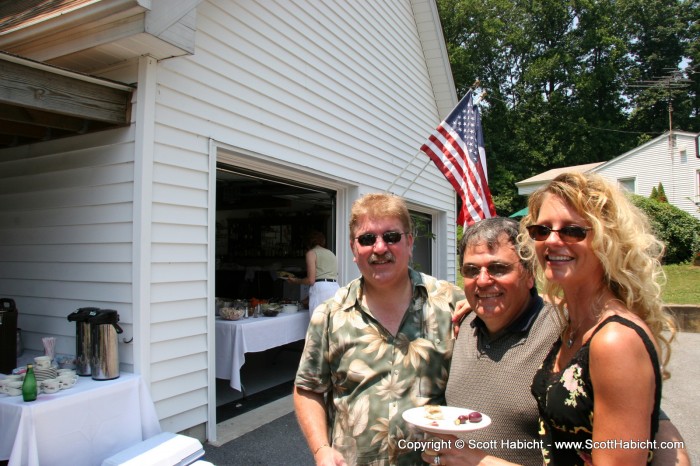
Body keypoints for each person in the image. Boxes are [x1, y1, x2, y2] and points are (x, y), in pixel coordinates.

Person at [420, 217, 689, 466]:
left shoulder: (568, 332)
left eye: (498, 268)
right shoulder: (463, 324)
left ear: (528, 274)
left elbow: (651, 425)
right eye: (471, 270)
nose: (482, 280)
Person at [293, 193, 464, 465]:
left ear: (409, 242)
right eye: (367, 239)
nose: (380, 247)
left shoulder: (452, 304)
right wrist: (321, 449)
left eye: (392, 237)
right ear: (353, 248)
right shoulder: (329, 315)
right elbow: (308, 388)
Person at [524, 172, 676, 465]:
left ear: (607, 240)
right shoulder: (577, 321)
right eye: (541, 230)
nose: (552, 241)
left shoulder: (615, 340)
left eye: (572, 231)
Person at [286, 230, 339, 313]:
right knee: (332, 322)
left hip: (321, 289)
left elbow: (311, 280)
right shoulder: (331, 253)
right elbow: (324, 276)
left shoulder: (311, 253)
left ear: (308, 243)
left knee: (318, 322)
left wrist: (296, 280)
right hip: (335, 288)